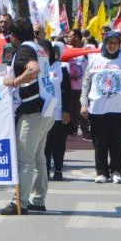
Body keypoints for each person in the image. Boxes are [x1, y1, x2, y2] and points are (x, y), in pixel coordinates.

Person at [0, 17, 53, 214]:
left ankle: (19, 202)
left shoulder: (24, 50)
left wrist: (14, 82)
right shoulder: (39, 47)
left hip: (33, 111)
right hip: (47, 107)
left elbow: (34, 69)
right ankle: (38, 199)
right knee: (39, 157)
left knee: (25, 159)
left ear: (13, 36)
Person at [81, 31, 121, 183]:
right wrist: (83, 104)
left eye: (115, 43)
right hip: (97, 110)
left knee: (117, 144)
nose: (112, 46)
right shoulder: (94, 59)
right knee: (99, 143)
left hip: (119, 110)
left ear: (119, 44)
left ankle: (116, 171)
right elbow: (86, 83)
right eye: (109, 43)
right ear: (104, 43)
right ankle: (101, 172)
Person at [44, 42, 72, 181]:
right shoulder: (36, 67)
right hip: (42, 112)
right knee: (45, 143)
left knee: (59, 143)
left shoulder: (61, 67)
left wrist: (66, 110)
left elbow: (67, 91)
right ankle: (46, 169)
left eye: (46, 51)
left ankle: (58, 169)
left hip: (58, 111)